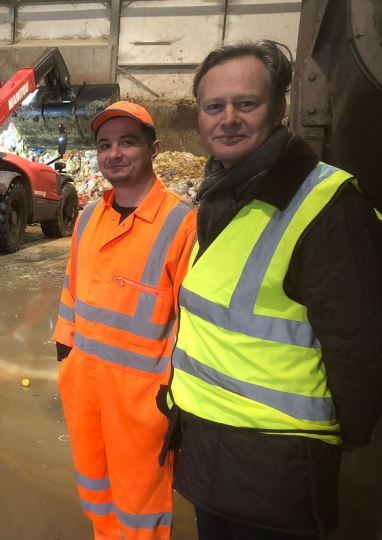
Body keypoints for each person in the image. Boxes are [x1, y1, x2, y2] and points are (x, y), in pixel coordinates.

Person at [159, 40, 382, 539]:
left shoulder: (327, 205)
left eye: (246, 103)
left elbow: (361, 350)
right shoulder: (221, 196)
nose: (228, 118)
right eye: (214, 106)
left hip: (280, 472)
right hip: (211, 457)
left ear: (279, 108)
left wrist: (334, 439)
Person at [54, 101, 197, 540]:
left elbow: (194, 325)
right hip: (85, 392)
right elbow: (70, 300)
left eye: (127, 142)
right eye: (105, 144)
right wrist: (67, 364)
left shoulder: (181, 224)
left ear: (154, 149)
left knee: (141, 515)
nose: (114, 153)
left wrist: (179, 404)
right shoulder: (87, 219)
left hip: (144, 404)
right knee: (96, 498)